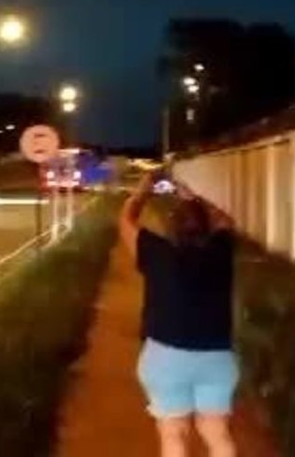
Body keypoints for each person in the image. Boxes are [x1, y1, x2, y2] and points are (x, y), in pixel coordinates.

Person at [118, 168, 238, 457]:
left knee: (174, 433)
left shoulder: (157, 253)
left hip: (165, 357)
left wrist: (143, 189)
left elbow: (125, 220)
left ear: (172, 227)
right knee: (216, 432)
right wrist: (190, 195)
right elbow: (226, 221)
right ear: (207, 227)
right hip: (217, 359)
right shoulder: (221, 251)